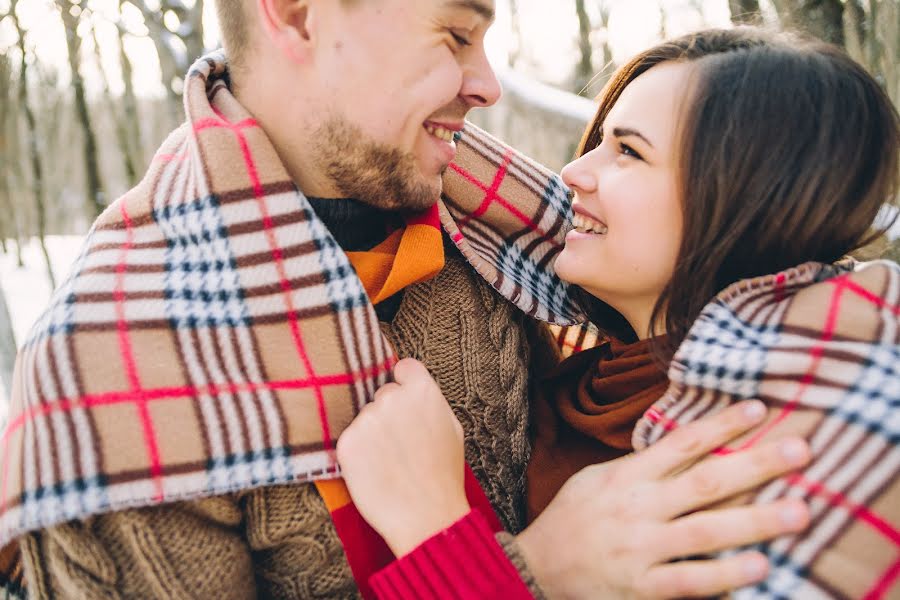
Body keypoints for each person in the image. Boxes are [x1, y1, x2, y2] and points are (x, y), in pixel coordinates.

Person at [0, 5, 810, 599]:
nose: (487, 84)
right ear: (296, 14)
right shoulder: (112, 379)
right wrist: (542, 570)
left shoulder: (502, 234)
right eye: (457, 34)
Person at [337, 26, 900, 599]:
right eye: (601, 141)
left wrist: (436, 532)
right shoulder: (567, 385)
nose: (572, 174)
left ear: (753, 199)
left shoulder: (796, 434)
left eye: (629, 151)